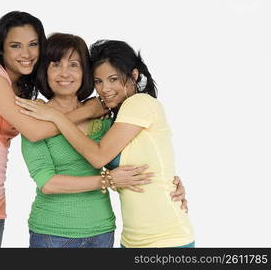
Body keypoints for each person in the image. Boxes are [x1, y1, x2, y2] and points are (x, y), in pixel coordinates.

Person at [0, 11, 108, 248]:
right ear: (1, 48)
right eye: (16, 45)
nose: (27, 54)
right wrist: (86, 111)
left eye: (33, 45)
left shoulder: (19, 87)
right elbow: (35, 131)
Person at [16, 39, 195, 248]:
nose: (104, 88)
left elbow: (101, 157)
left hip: (146, 236)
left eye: (74, 65)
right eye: (99, 81)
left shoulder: (129, 108)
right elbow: (47, 183)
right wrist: (112, 179)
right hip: (67, 235)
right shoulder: (38, 119)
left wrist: (168, 180)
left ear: (134, 76)